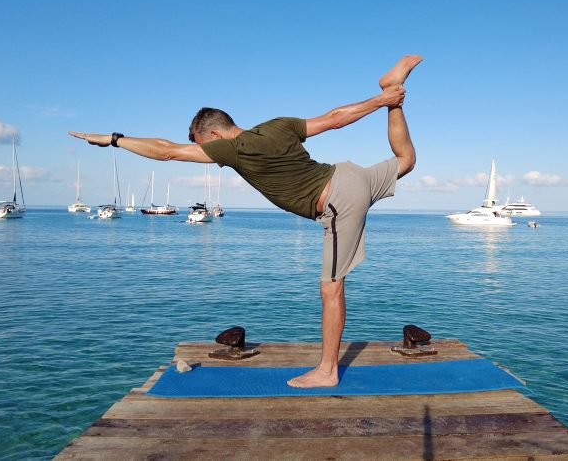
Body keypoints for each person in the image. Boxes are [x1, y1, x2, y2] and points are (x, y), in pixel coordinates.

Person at [69, 55, 422, 388]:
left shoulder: (232, 148)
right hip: (348, 176)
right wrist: (382, 100)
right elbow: (334, 117)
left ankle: (328, 371)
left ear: (213, 136)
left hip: (336, 202)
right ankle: (394, 96)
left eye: (201, 146)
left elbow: (166, 150)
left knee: (331, 289)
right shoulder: (277, 126)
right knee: (405, 160)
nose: (204, 154)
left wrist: (113, 139)